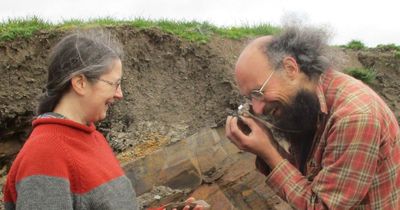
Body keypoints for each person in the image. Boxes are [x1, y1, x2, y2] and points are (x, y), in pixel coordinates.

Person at [3, 30, 202, 210]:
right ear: (80, 83)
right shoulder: (44, 156)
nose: (120, 94)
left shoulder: (94, 138)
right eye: (114, 84)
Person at [225, 26, 400, 209]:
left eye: (258, 92)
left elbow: (321, 205)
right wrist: (267, 145)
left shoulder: (354, 118)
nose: (258, 109)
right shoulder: (307, 103)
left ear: (290, 68)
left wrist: (268, 152)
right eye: (250, 98)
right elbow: (305, 181)